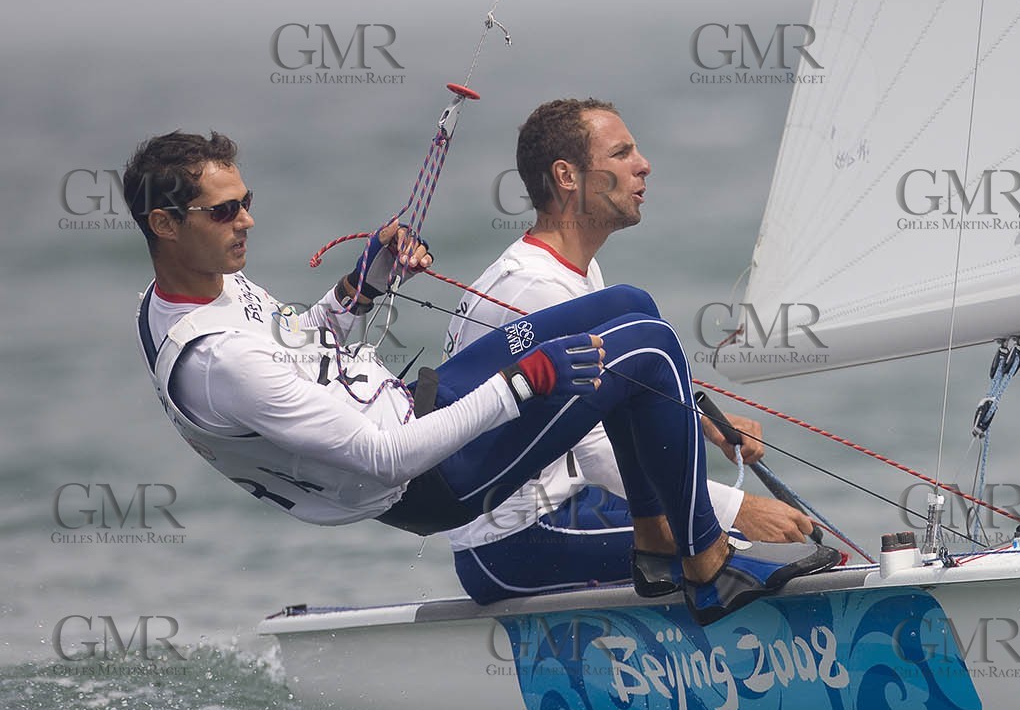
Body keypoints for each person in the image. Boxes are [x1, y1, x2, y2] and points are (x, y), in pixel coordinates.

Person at [126, 129, 836, 624]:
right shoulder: (220, 361)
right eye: (225, 211)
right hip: (430, 476)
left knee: (629, 306)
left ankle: (659, 538)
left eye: (246, 200)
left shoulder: (195, 290)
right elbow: (383, 458)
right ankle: (705, 567)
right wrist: (523, 382)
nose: (246, 220)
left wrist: (364, 284)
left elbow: (306, 348)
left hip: (418, 402)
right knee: (644, 347)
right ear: (164, 223)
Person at [441, 98, 827, 608]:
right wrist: (738, 509)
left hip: (572, 506)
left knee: (764, 550)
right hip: (512, 540)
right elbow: (598, 453)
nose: (643, 165)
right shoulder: (535, 290)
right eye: (622, 153)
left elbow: (621, 401)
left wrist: (700, 422)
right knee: (754, 553)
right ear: (567, 177)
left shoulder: (572, 276)